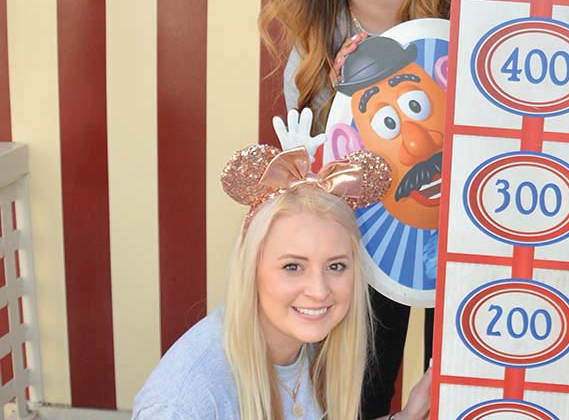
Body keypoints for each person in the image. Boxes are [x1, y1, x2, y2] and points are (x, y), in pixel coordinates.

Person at [235, 0, 453, 414]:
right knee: (352, 391)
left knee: (466, 391)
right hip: (372, 243)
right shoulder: (312, 65)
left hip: (476, 230)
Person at [132, 145, 431, 419]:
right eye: (292, 266)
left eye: (336, 266)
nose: (319, 291)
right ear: (251, 269)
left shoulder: (308, 345)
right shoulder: (185, 403)